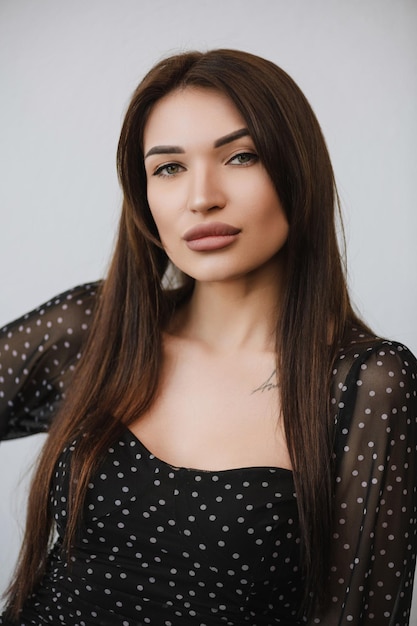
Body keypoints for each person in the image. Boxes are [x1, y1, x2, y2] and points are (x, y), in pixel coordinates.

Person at [0, 49, 416, 626]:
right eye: (168, 168)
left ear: (298, 171)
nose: (202, 197)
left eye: (241, 157)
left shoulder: (367, 385)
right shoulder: (95, 328)